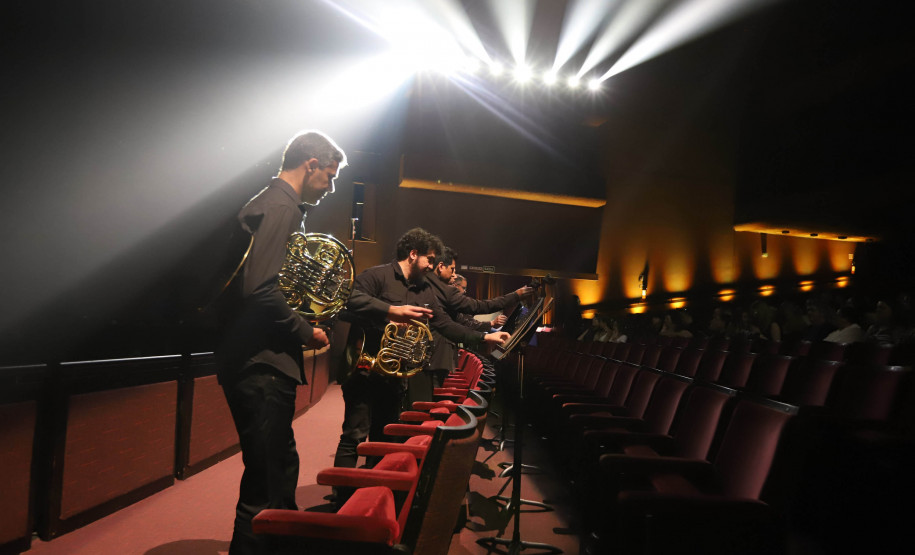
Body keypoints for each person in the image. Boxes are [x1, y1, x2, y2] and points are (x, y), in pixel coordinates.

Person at [215, 130, 345, 555]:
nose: (330, 187)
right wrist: (307, 331)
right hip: (262, 366)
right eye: (330, 175)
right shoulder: (280, 207)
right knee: (265, 483)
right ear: (311, 165)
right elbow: (260, 289)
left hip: (261, 362)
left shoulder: (275, 204)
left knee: (280, 469)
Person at [333, 228, 510, 496]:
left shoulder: (424, 290)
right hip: (365, 370)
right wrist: (390, 312)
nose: (431, 265)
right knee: (354, 437)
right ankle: (341, 500)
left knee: (385, 437)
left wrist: (484, 336)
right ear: (413, 254)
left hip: (395, 375)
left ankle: (372, 497)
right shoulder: (376, 276)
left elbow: (446, 325)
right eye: (428, 259)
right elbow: (347, 301)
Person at [416, 247, 529, 402]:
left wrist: (487, 333)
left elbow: (457, 323)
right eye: (453, 269)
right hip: (432, 357)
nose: (454, 274)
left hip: (428, 356)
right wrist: (515, 296)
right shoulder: (445, 292)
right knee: (427, 403)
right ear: (441, 266)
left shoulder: (429, 288)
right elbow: (480, 306)